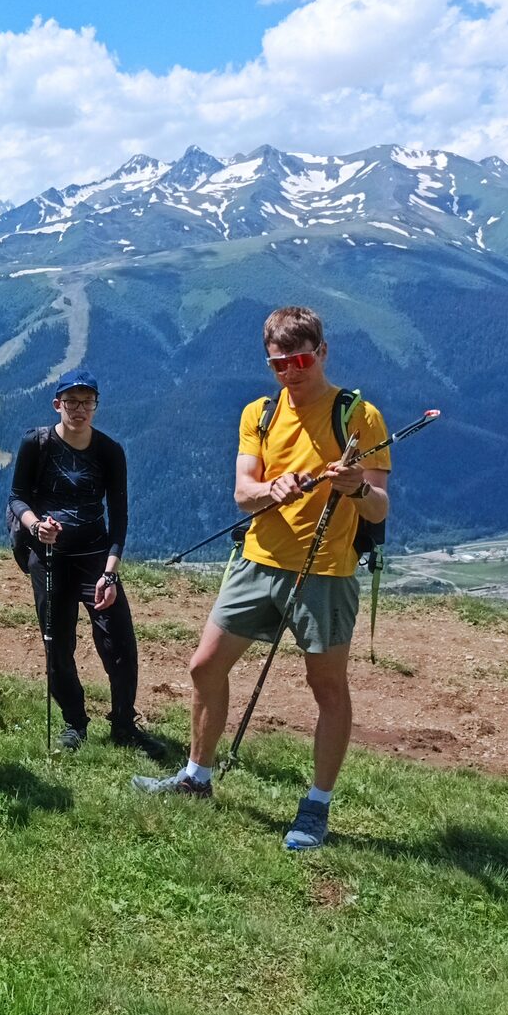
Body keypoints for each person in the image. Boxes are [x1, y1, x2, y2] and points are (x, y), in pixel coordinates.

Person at [134, 305, 391, 850]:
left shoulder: (359, 416)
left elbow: (379, 509)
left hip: (326, 570)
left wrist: (355, 489)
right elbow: (242, 491)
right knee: (204, 666)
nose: (291, 372)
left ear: (323, 351)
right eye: (279, 363)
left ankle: (316, 807)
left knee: (326, 687)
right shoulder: (261, 413)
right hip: (257, 561)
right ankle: (195, 777)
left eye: (300, 359)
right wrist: (270, 491)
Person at [8, 369, 165, 756]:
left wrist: (110, 572)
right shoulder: (36, 443)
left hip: (95, 559)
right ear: (57, 403)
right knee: (57, 645)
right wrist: (35, 525)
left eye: (87, 402)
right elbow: (17, 497)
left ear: (96, 405)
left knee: (120, 644)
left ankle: (124, 725)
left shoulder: (109, 451)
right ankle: (74, 723)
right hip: (48, 559)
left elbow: (120, 516)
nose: (79, 410)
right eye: (72, 402)